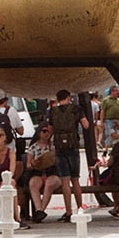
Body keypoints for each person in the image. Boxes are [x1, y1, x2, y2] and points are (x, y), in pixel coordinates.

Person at [49, 89, 89, 222]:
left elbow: (50, 129)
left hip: (60, 147)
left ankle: (68, 211)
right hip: (73, 146)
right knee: (75, 180)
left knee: (65, 181)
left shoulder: (53, 111)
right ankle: (80, 209)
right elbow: (86, 124)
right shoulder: (76, 109)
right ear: (68, 97)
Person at [0, 127, 30, 228]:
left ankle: (16, 217)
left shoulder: (11, 153)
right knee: (11, 185)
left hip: (6, 181)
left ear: (5, 137)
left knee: (10, 183)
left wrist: (7, 182)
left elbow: (11, 171)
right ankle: (17, 218)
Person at [25, 123, 61, 223]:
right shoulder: (33, 147)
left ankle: (40, 210)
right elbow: (28, 165)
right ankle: (39, 210)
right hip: (38, 172)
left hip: (52, 172)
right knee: (33, 184)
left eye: (49, 132)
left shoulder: (54, 146)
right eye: (44, 131)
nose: (46, 134)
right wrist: (33, 164)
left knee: (49, 184)